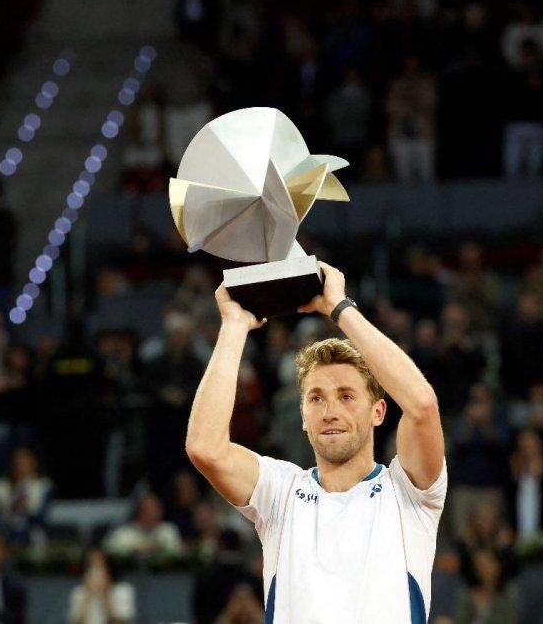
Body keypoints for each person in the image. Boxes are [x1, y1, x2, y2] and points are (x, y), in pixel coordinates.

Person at [186, 262, 447, 622]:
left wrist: (339, 309)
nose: (330, 411)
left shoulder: (408, 492)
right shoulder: (281, 491)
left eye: (346, 396)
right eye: (317, 398)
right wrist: (234, 326)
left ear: (378, 412)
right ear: (303, 415)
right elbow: (205, 448)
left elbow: (421, 406)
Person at [67, 549, 135, 624]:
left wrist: (105, 595)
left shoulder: (122, 590)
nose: (95, 572)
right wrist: (87, 597)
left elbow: (121, 622)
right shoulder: (79, 592)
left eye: (99, 567)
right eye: (91, 567)